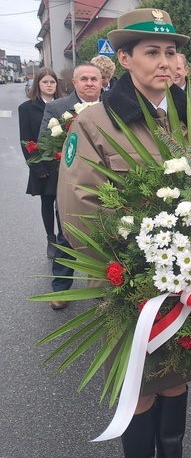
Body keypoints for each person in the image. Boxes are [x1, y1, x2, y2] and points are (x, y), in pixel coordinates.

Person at [57, 8, 191, 458]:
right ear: (125, 59)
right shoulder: (94, 124)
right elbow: (79, 213)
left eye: (171, 52)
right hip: (131, 289)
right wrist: (147, 264)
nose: (165, 62)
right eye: (152, 52)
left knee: (180, 374)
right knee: (144, 387)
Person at [39, 62, 103, 310]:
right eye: (84, 79)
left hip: (107, 183)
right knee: (67, 235)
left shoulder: (112, 107)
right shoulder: (57, 108)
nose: (89, 83)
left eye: (94, 79)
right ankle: (61, 288)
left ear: (102, 83)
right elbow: (44, 142)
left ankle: (100, 285)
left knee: (106, 235)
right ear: (74, 83)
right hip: (70, 185)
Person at [18, 67, 62, 259]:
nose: (49, 85)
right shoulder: (27, 108)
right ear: (38, 84)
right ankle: (50, 240)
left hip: (61, 163)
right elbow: (26, 140)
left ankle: (63, 239)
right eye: (45, 82)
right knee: (47, 201)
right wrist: (36, 166)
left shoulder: (63, 105)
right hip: (42, 163)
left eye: (52, 82)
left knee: (63, 203)